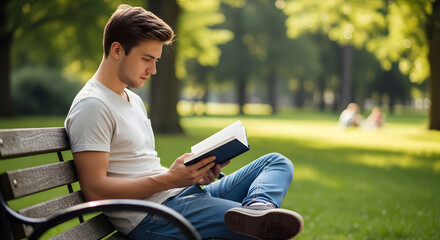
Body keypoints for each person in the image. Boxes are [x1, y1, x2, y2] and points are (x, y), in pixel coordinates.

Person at [65, 4, 303, 240]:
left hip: (177, 196)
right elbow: (95, 190)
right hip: (153, 216)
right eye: (147, 59)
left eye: (156, 60)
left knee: (276, 163)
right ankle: (254, 221)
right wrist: (169, 179)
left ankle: (257, 209)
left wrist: (193, 175)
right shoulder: (93, 105)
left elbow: (141, 167)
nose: (153, 70)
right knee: (257, 234)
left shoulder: (132, 100)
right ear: (117, 50)